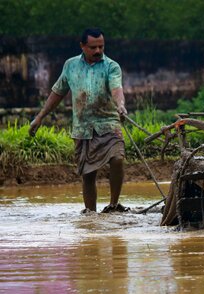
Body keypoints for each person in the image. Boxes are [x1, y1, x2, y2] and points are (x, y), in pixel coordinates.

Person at [29, 28, 129, 214]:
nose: (98, 51)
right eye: (93, 47)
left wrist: (120, 105)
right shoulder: (71, 65)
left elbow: (116, 88)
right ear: (82, 46)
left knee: (117, 159)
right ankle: (90, 214)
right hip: (82, 128)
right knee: (88, 174)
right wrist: (39, 117)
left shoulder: (111, 66)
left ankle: (114, 205)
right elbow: (58, 91)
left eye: (101, 46)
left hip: (109, 123)